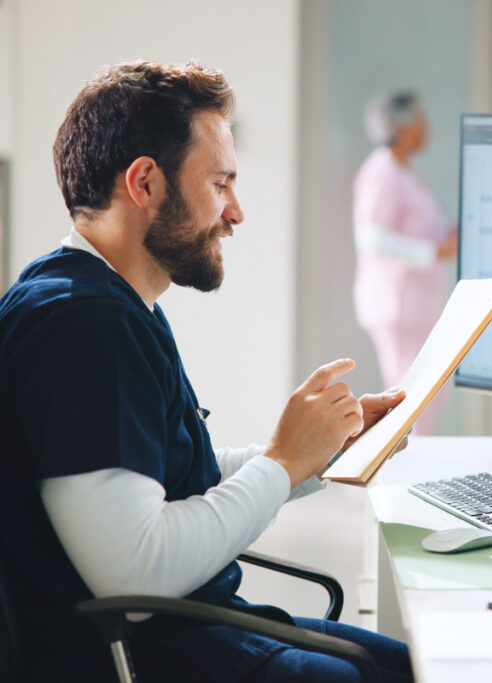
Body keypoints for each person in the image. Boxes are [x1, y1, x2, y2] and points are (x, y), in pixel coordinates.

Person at [0, 61, 414, 682]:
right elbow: (136, 572)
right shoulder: (85, 326)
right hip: (135, 654)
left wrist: (317, 451)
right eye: (221, 184)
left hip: (183, 627)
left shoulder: (100, 300)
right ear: (145, 183)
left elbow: (162, 478)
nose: (236, 212)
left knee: (406, 663)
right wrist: (281, 463)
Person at [352, 91, 457, 435]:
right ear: (400, 126)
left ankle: (401, 468)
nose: (427, 128)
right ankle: (394, 472)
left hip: (418, 304)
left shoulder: (405, 172)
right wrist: (432, 252)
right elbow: (373, 236)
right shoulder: (382, 171)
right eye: (420, 120)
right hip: (398, 305)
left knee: (425, 394)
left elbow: (419, 226)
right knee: (409, 396)